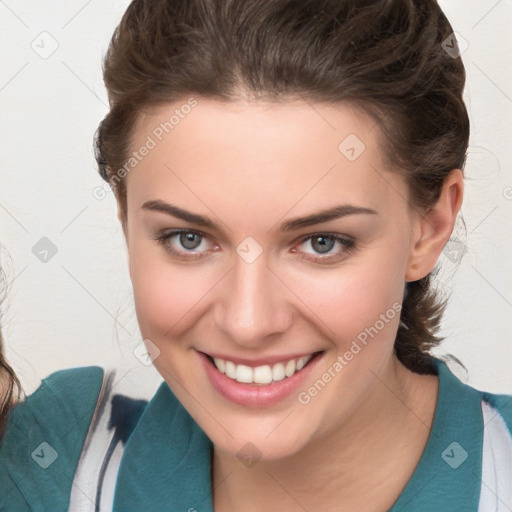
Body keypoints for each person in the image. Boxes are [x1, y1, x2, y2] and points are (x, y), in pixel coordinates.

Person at [1, 0, 511, 510]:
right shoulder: (44, 467)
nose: (248, 323)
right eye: (189, 238)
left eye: (321, 243)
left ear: (430, 227)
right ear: (125, 213)